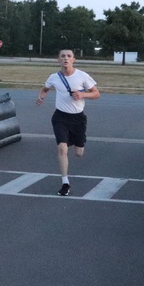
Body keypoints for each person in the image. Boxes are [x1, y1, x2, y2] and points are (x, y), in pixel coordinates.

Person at [36, 48, 99, 196]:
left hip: (78, 119)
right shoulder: (54, 77)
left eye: (69, 56)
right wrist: (41, 96)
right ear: (58, 59)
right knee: (62, 149)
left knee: (79, 153)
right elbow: (45, 89)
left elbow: (96, 94)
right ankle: (65, 183)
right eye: (63, 56)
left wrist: (82, 94)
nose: (66, 58)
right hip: (60, 117)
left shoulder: (82, 76)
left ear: (73, 60)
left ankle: (75, 142)